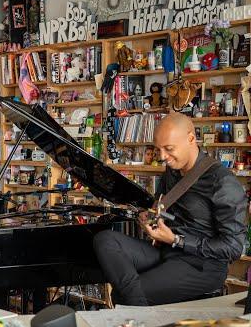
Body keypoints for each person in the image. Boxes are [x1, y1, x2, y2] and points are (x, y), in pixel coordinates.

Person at [93, 113, 248, 306]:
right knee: (105, 240)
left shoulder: (223, 182)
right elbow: (161, 208)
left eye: (169, 149)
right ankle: (135, 301)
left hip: (202, 265)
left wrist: (177, 240)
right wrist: (149, 218)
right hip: (166, 250)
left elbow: (233, 248)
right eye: (158, 150)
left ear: (191, 138)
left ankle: (130, 301)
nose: (163, 157)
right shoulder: (172, 171)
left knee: (123, 295)